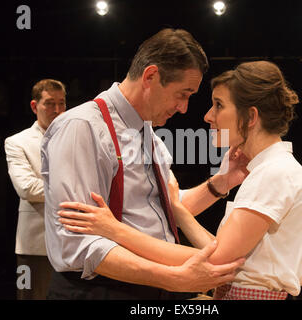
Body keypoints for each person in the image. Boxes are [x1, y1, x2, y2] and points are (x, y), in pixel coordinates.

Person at [58, 61, 302, 300]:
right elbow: (218, 251)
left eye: (219, 105)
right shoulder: (267, 170)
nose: (207, 116)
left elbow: (215, 261)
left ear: (251, 117)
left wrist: (114, 229)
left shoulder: (274, 172)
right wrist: (179, 208)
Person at [41, 28, 246, 300]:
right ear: (150, 76)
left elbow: (168, 207)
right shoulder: (82, 127)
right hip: (100, 288)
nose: (184, 108)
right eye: (182, 94)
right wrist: (173, 279)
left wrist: (223, 182)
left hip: (151, 284)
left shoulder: (147, 132)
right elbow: (79, 243)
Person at [5, 79, 66, 299]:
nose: (57, 110)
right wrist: (72, 190)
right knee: (29, 296)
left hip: (71, 242)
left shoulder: (76, 139)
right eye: (50, 103)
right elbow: (27, 188)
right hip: (34, 246)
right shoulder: (17, 142)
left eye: (61, 103)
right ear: (34, 106)